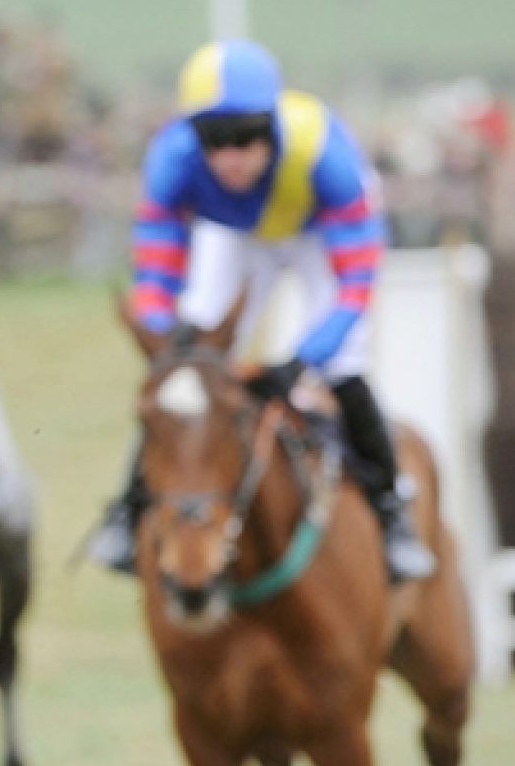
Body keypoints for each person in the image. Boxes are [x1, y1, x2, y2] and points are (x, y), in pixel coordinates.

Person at [89, 38, 436, 582]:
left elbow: (354, 287)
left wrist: (300, 361)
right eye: (214, 139)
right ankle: (127, 508)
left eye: (247, 136)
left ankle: (392, 512)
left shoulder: (324, 155)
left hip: (318, 235)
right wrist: (164, 333)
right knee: (184, 373)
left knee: (343, 365)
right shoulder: (171, 160)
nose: (231, 157)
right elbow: (156, 272)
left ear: (272, 125)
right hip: (237, 235)